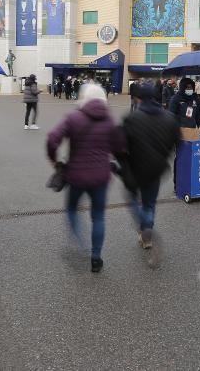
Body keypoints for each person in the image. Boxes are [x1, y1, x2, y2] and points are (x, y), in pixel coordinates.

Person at [47, 84, 125, 273]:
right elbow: (120, 147)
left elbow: (52, 139)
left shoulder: (73, 118)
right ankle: (96, 257)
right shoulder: (110, 121)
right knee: (98, 217)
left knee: (72, 210)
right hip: (101, 177)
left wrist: (55, 162)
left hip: (76, 177)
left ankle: (80, 244)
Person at [120, 83, 180, 253]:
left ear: (139, 98)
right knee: (150, 203)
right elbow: (176, 142)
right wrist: (163, 157)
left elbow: (122, 145)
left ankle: (144, 226)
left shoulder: (132, 118)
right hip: (157, 168)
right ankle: (147, 234)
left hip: (135, 168)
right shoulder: (169, 118)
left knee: (131, 197)